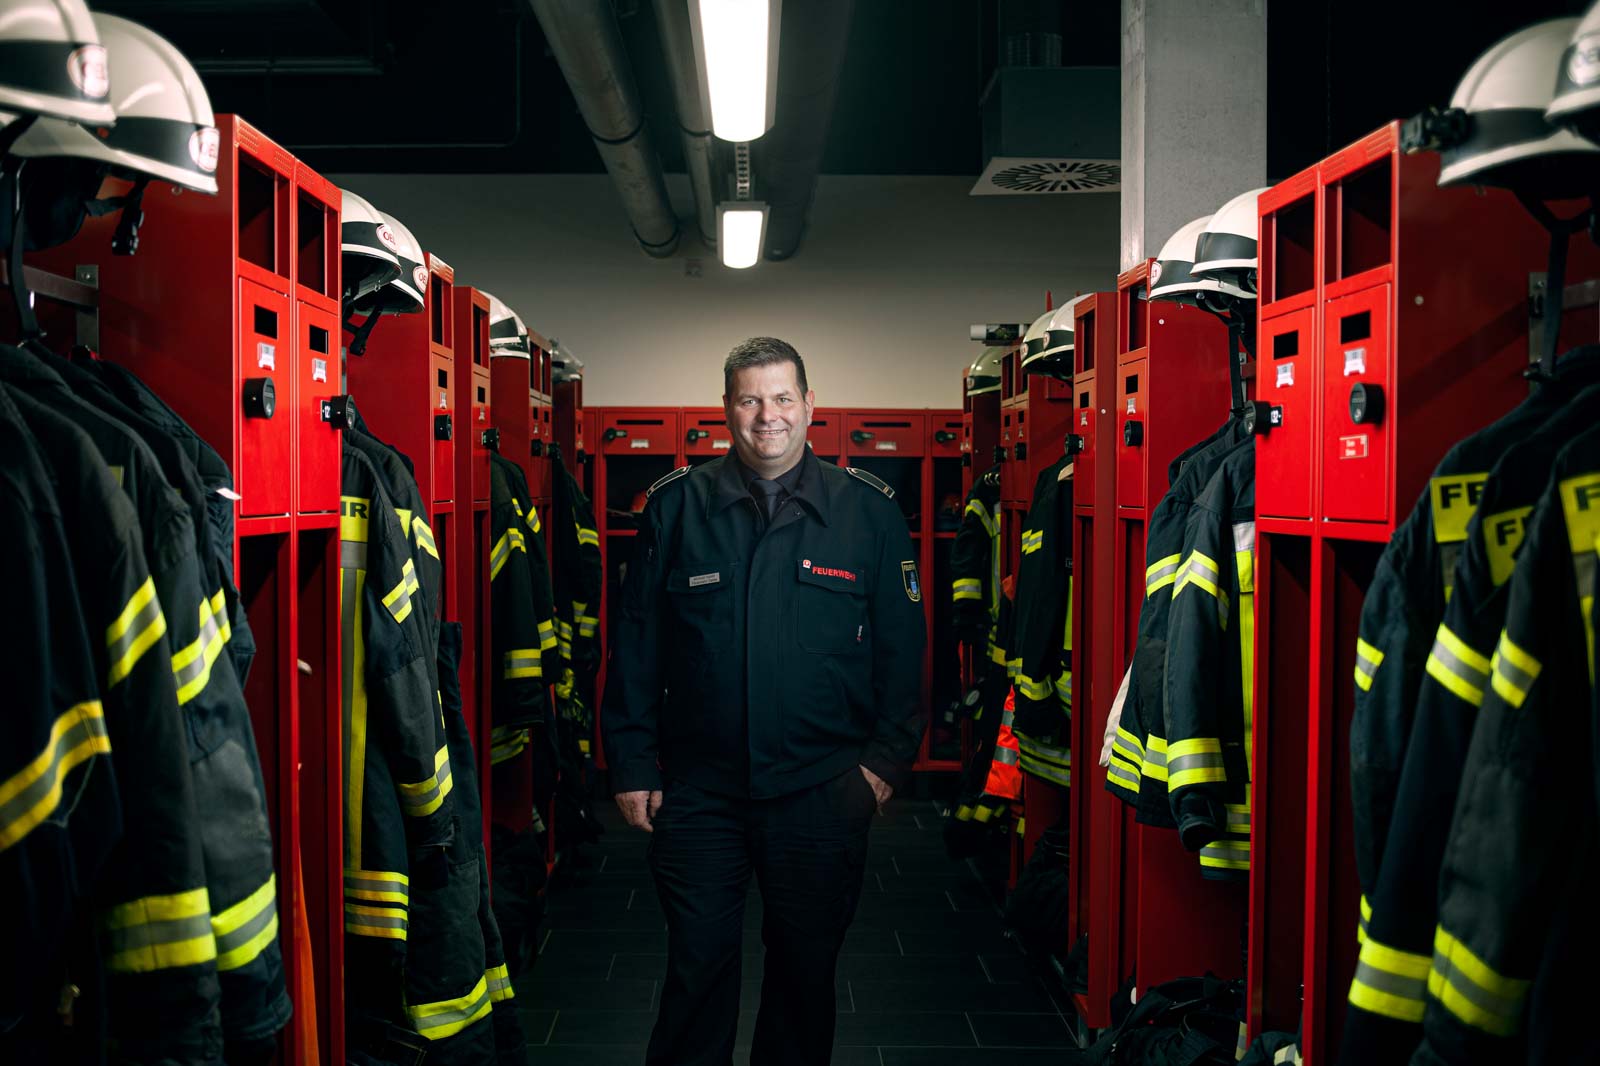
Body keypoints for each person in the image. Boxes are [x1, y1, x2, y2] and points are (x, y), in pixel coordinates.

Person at [602, 337, 926, 1066]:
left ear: (811, 407)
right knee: (695, 972)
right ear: (727, 410)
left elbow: (904, 653)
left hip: (820, 791)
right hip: (700, 794)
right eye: (749, 399)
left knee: (803, 981)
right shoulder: (676, 509)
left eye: (782, 398)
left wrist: (881, 767)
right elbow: (636, 645)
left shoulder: (867, 514)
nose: (766, 416)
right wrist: (629, 762)